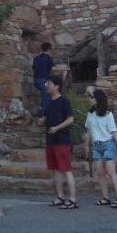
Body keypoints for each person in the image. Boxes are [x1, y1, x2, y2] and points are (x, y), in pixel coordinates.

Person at [39, 73, 77, 209]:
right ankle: (60, 197)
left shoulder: (64, 101)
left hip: (62, 140)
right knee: (55, 170)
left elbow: (70, 119)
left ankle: (72, 199)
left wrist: (57, 128)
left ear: (56, 86)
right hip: (50, 141)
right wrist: (42, 120)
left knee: (66, 169)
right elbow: (44, 117)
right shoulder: (48, 102)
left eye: (48, 83)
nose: (46, 85)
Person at [84, 88, 117, 208]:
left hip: (108, 144)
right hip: (96, 146)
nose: (89, 100)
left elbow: (113, 132)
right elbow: (89, 131)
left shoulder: (108, 114)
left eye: (92, 98)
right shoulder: (90, 114)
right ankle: (105, 198)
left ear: (97, 99)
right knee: (100, 173)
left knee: (111, 173)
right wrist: (86, 145)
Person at [32, 41, 54, 116]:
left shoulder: (36, 58)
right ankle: (44, 116)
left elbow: (33, 68)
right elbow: (53, 68)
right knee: (47, 96)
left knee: (45, 95)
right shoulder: (48, 58)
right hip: (43, 80)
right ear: (49, 50)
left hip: (36, 80)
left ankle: (41, 109)